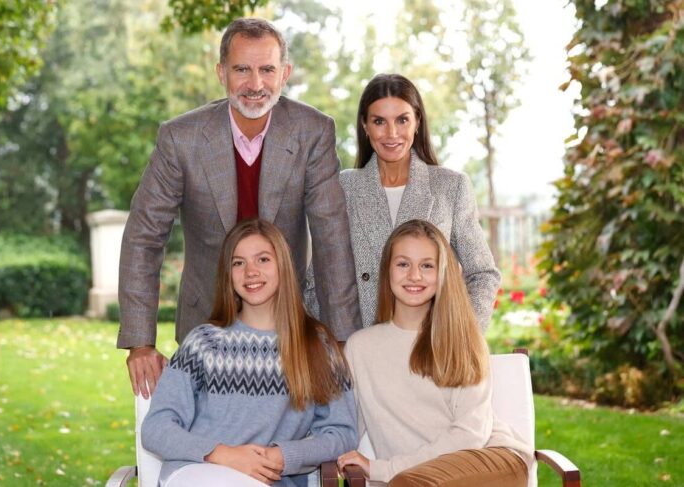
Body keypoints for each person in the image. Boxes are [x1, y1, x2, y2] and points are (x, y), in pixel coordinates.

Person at [118, 17, 361, 398]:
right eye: (241, 70)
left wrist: (344, 339)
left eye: (267, 69)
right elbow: (144, 236)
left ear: (285, 74)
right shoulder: (180, 138)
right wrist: (140, 342)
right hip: (205, 323)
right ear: (221, 73)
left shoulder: (313, 131)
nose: (255, 84)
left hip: (287, 324)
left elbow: (332, 236)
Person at [142, 218, 358, 487]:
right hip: (198, 472)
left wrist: (284, 456)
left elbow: (342, 433)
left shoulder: (317, 345)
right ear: (227, 274)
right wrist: (223, 455)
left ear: (283, 266)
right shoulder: (203, 342)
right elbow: (156, 429)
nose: (250, 271)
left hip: (272, 478)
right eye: (238, 263)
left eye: (263, 260)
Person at [337, 220, 532, 486]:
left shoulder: (463, 338)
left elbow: (470, 435)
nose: (414, 275)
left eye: (427, 265)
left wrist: (385, 469)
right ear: (387, 271)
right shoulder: (361, 347)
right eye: (403, 264)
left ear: (442, 273)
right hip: (414, 478)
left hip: (491, 459)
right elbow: (345, 427)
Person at [308, 73, 500, 330]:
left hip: (432, 349)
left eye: (402, 120)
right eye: (379, 121)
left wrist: (461, 338)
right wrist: (334, 346)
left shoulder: (450, 186)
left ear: (417, 121)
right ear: (365, 126)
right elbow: (317, 280)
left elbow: (482, 274)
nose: (392, 133)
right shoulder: (343, 188)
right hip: (360, 350)